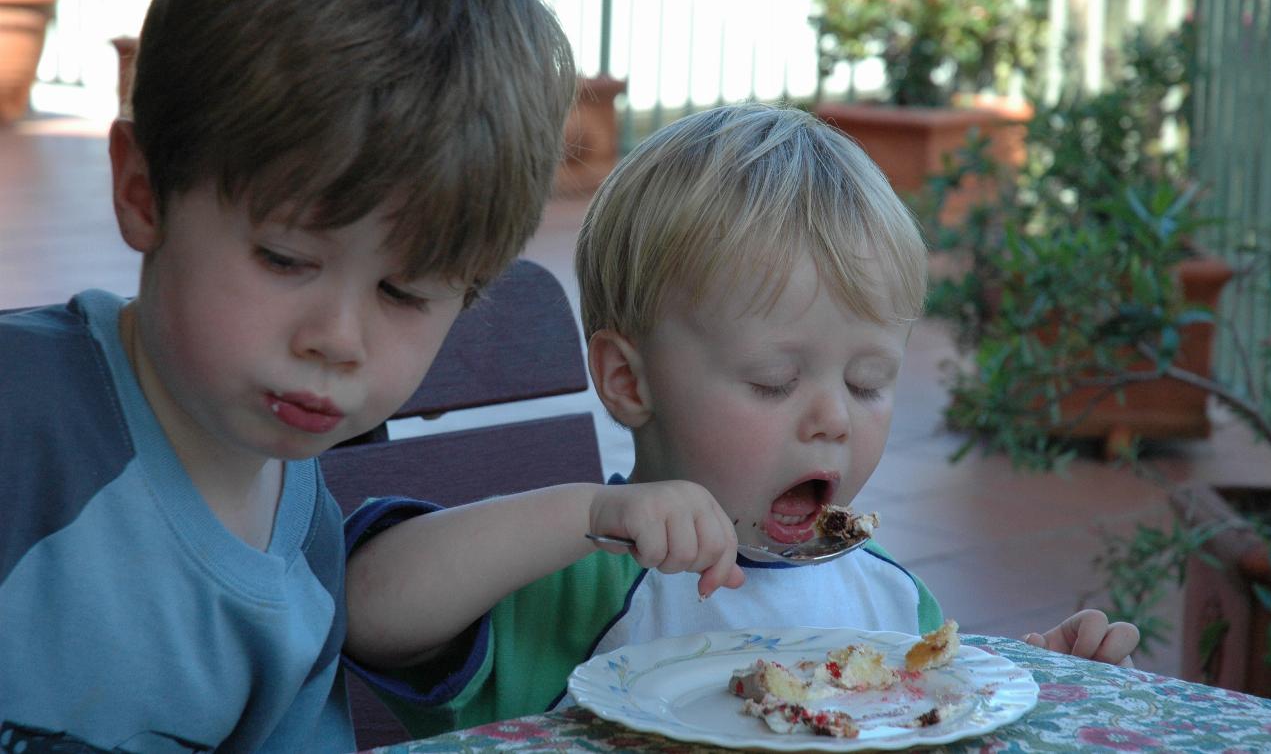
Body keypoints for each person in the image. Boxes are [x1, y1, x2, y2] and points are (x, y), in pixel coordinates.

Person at [0, 0, 618, 749]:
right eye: (286, 258)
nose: (339, 337)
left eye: (404, 292)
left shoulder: (306, 549)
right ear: (144, 192)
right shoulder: (21, 419)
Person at [342, 103, 1141, 738]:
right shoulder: (578, 578)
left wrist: (1014, 688)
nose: (832, 417)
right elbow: (366, 607)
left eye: (868, 382)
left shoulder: (894, 605)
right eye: (774, 379)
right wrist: (586, 514)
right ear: (628, 379)